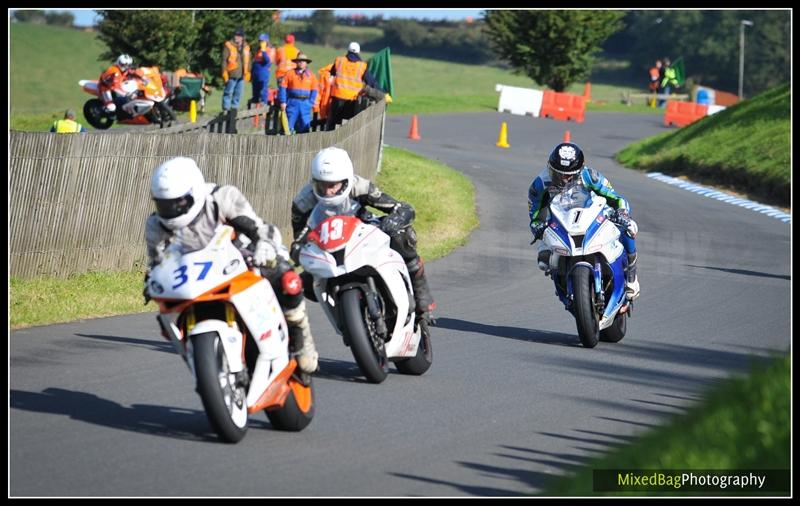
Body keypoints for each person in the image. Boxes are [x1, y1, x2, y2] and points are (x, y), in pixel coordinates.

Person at [144, 156, 319, 374]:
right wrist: (151, 280)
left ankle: (300, 331)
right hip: (195, 277)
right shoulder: (155, 224)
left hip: (239, 255)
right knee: (164, 316)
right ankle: (200, 356)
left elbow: (259, 227)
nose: (172, 209)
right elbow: (157, 262)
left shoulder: (221, 197)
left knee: (286, 278)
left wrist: (264, 245)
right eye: (164, 204)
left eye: (178, 202)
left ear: (194, 192)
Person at [290, 147, 436, 322]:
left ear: (345, 181)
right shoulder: (303, 202)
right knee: (305, 283)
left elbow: (401, 208)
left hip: (361, 236)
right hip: (328, 250)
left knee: (402, 236)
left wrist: (394, 220)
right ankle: (344, 316)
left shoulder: (360, 187)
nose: (327, 191)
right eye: (321, 185)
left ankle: (421, 299)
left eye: (333, 185)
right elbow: (300, 238)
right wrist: (297, 251)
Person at [527, 142, 640, 301]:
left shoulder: (590, 176)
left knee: (629, 229)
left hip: (591, 216)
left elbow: (616, 198)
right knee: (543, 258)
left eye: (568, 175)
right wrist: (536, 225)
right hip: (559, 223)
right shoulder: (540, 184)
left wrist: (622, 213)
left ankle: (632, 278)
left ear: (579, 171)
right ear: (550, 167)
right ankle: (562, 282)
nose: (563, 179)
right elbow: (534, 212)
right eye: (557, 173)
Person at [325, 42, 380, 131]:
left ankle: (328, 142)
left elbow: (332, 73)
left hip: (337, 97)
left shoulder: (339, 60)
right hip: (351, 100)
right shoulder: (362, 65)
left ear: (348, 50)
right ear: (358, 52)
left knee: (333, 123)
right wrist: (382, 92)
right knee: (345, 125)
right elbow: (371, 82)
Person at [278, 52, 318, 134]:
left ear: (306, 63)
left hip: (305, 104)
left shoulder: (311, 76)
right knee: (288, 128)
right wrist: (283, 101)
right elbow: (282, 88)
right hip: (292, 103)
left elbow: (314, 90)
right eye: (299, 61)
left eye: (303, 61)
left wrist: (310, 103)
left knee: (305, 127)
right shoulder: (289, 74)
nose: (301, 62)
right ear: (296, 62)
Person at [221, 27, 251, 112]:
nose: (236, 37)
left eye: (238, 35)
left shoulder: (246, 47)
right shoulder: (228, 45)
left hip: (242, 75)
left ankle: (234, 109)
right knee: (228, 92)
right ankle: (225, 109)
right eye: (235, 35)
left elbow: (248, 61)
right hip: (231, 74)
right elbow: (224, 61)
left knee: (238, 93)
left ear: (242, 37)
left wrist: (248, 72)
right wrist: (224, 73)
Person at [250, 33, 275, 107]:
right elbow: (255, 61)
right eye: (260, 41)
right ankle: (255, 100)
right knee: (255, 89)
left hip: (263, 72)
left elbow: (267, 61)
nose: (261, 43)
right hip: (256, 72)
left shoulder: (270, 49)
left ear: (267, 41)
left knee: (263, 89)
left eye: (263, 41)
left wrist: (264, 51)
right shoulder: (258, 50)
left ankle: (264, 102)